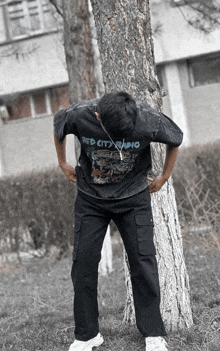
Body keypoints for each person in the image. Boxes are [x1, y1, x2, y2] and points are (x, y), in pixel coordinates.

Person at [53, 91, 183, 351]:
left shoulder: (148, 119)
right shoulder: (82, 114)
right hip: (91, 199)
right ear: (98, 116)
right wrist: (62, 163)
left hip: (134, 199)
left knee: (143, 262)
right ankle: (87, 335)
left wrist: (164, 176)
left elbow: (175, 139)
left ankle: (153, 334)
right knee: (84, 265)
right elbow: (59, 125)